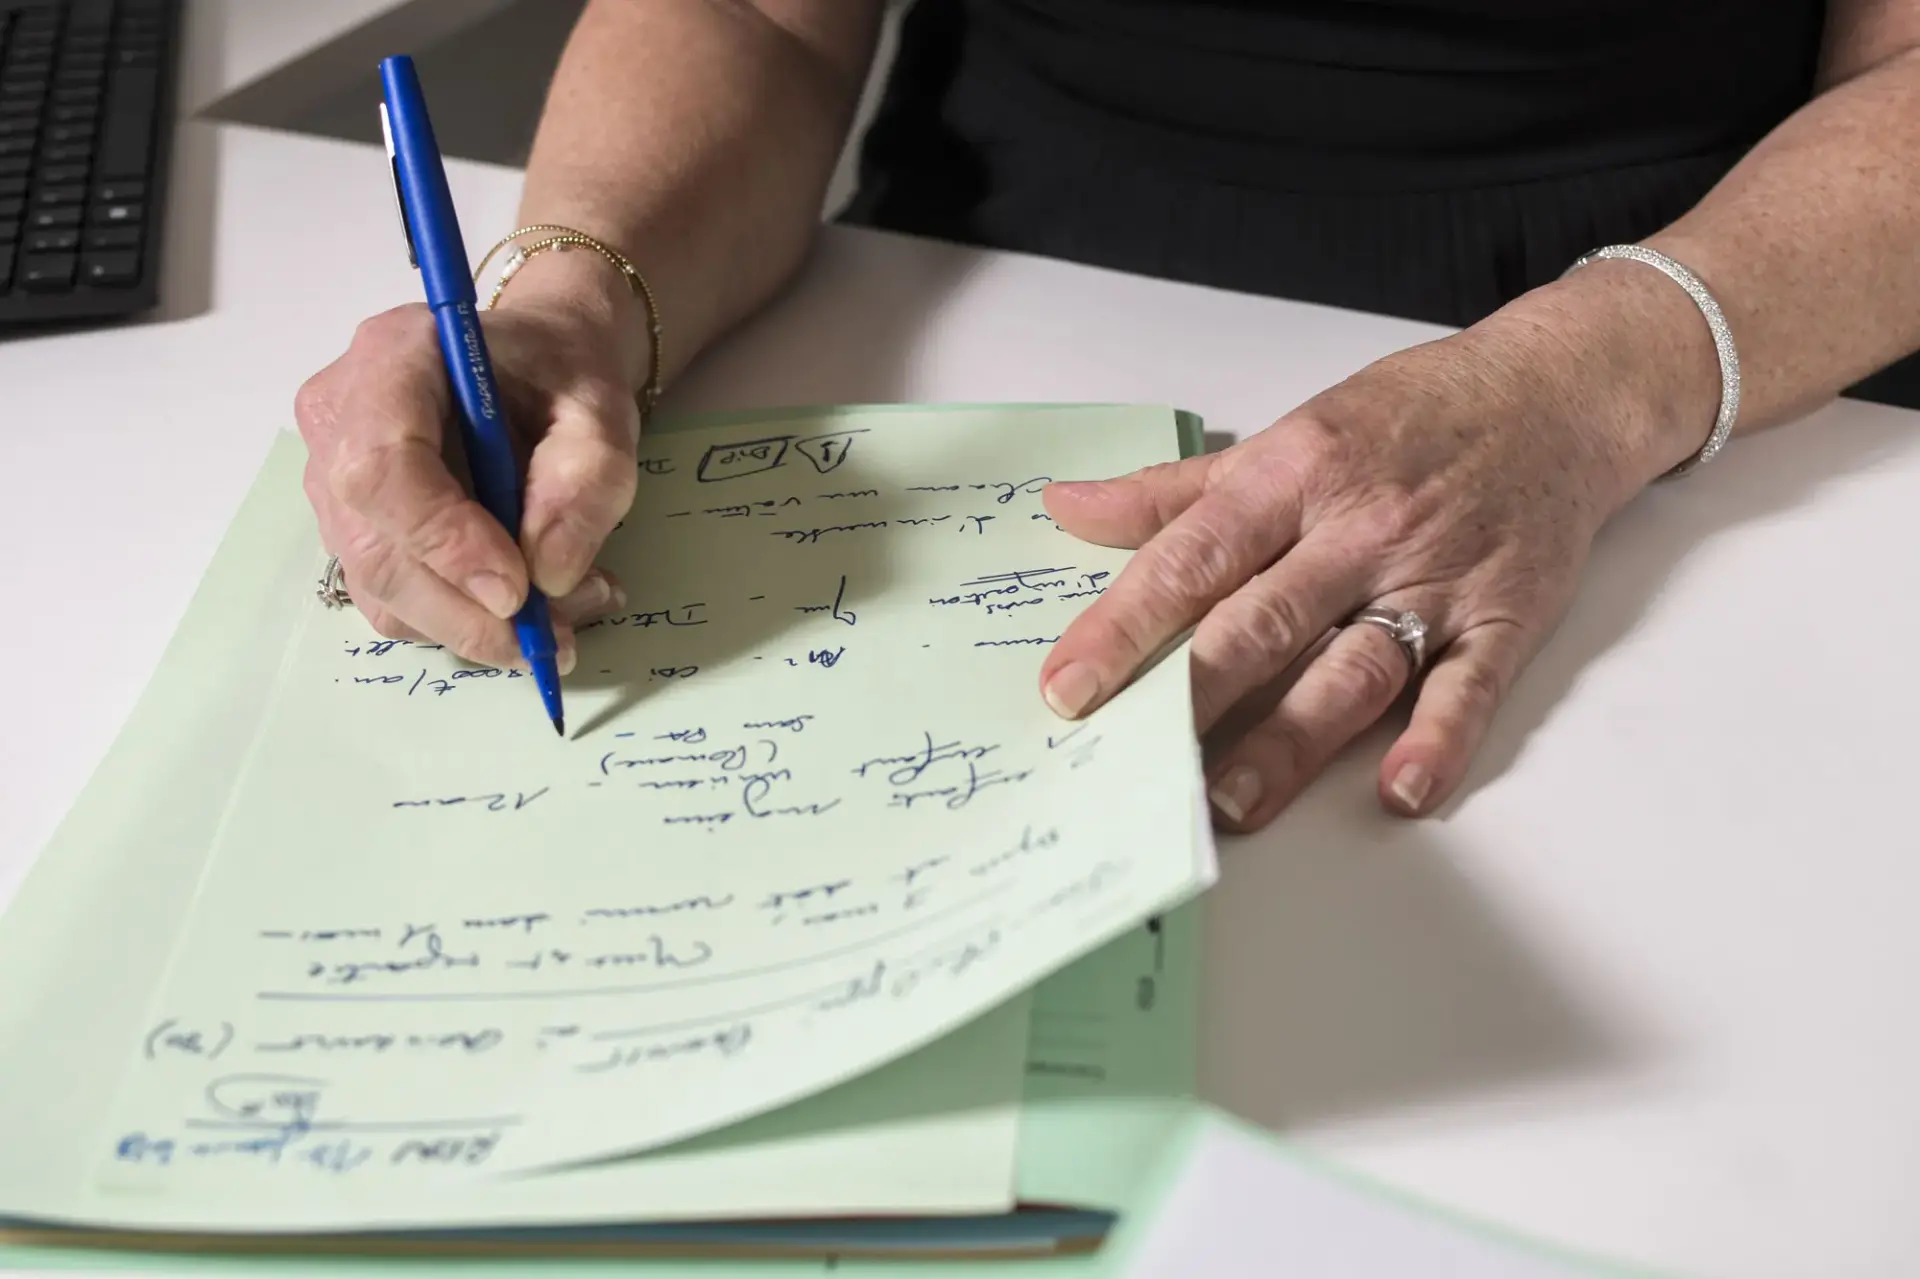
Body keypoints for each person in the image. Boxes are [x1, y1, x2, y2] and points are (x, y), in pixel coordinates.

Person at [294, 0, 1920, 834]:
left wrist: (1584, 383)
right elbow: (755, 16)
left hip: (1707, 315)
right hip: (966, 282)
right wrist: (576, 291)